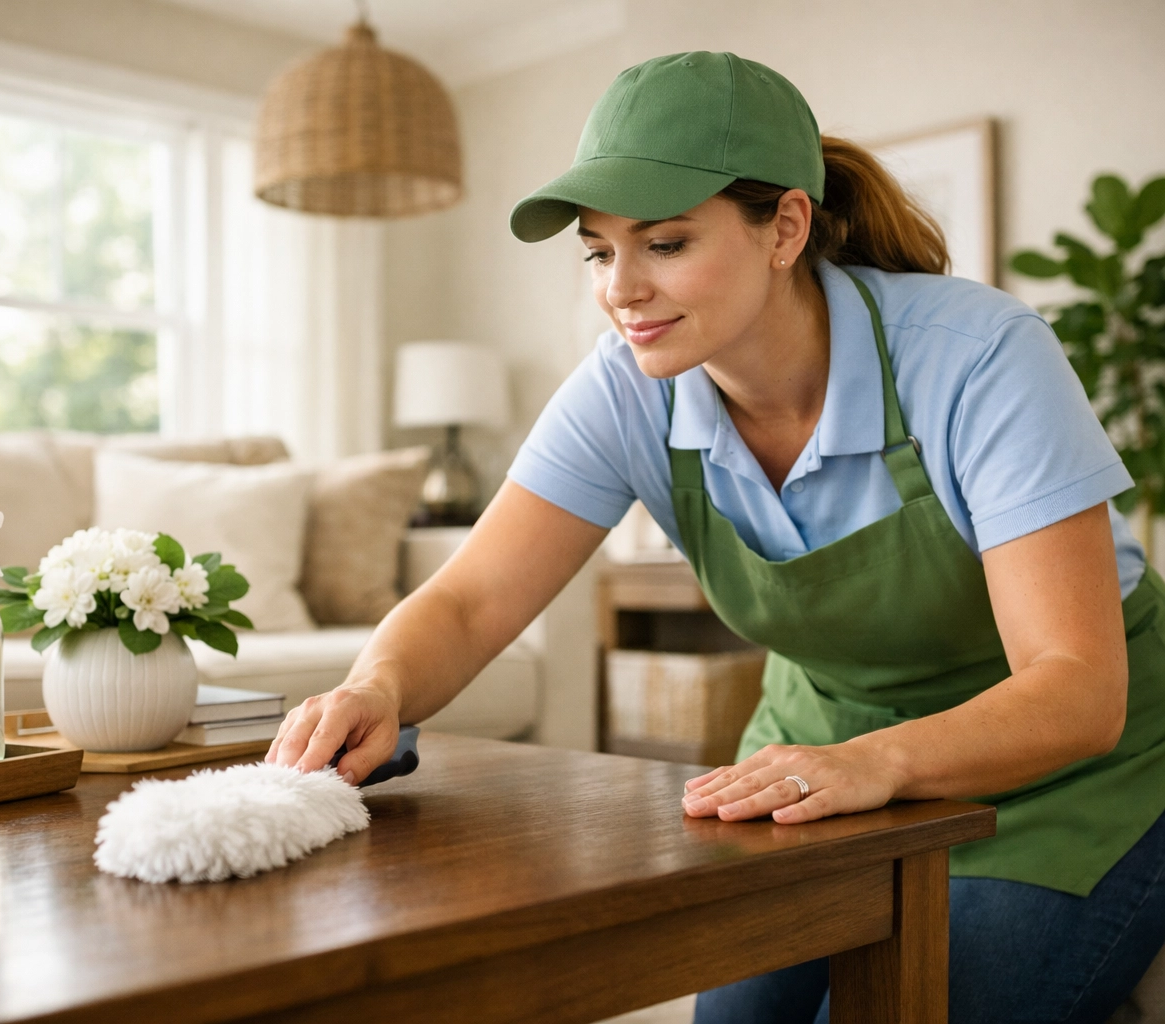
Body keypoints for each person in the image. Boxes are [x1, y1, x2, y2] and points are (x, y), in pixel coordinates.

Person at [266, 51, 1165, 1022]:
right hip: (819, 750)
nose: (622, 289)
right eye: (601, 251)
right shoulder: (625, 386)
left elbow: (1077, 684)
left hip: (1071, 778)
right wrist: (378, 686)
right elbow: (470, 598)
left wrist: (881, 762)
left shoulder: (976, 356)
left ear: (785, 227)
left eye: (664, 242)